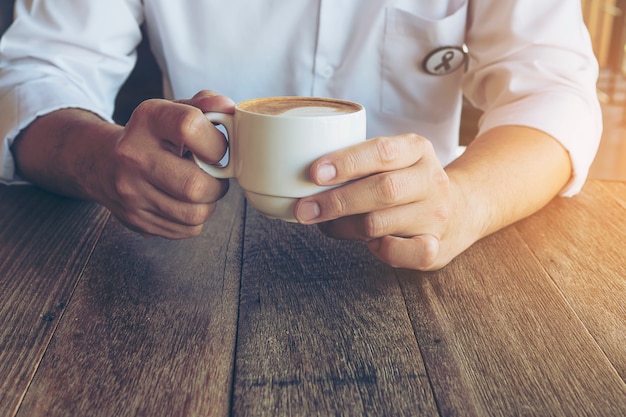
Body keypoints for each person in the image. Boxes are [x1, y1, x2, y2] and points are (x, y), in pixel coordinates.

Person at [0, 1, 602, 271]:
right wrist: (95, 157)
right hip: (188, 255)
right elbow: (35, 69)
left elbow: (555, 89)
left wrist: (466, 201)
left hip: (409, 256)